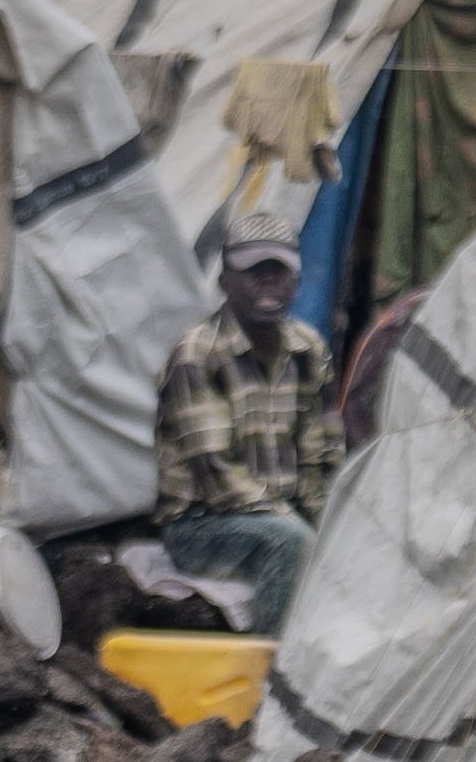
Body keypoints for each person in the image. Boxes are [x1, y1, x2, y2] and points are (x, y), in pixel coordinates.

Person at [138, 243, 343, 628]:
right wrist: (299, 525)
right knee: (289, 543)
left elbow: (321, 455)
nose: (268, 283)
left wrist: (327, 521)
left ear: (296, 282)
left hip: (279, 514)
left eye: (279, 272)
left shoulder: (309, 349)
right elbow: (218, 474)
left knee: (345, 540)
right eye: (254, 272)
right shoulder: (198, 352)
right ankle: (272, 674)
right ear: (224, 282)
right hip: (202, 525)